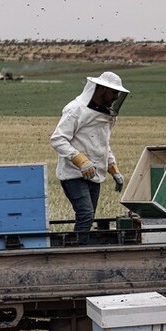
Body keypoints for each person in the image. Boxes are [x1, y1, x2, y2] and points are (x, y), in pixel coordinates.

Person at [49, 71, 129, 244]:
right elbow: (58, 139)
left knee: (89, 216)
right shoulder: (75, 109)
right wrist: (81, 160)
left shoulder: (106, 115)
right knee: (85, 214)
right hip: (73, 175)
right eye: (114, 92)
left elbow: (102, 145)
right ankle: (78, 252)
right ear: (101, 89)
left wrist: (113, 169)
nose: (116, 97)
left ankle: (79, 247)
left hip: (94, 175)